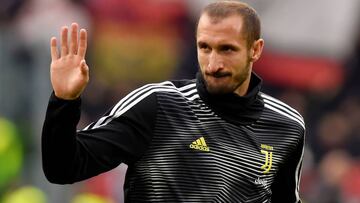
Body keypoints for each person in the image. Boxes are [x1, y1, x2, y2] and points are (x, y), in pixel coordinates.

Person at [42, 1, 305, 202]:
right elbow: (63, 169)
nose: (214, 63)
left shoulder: (286, 126)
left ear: (255, 50)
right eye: (205, 47)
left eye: (227, 49)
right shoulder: (157, 105)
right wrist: (65, 101)